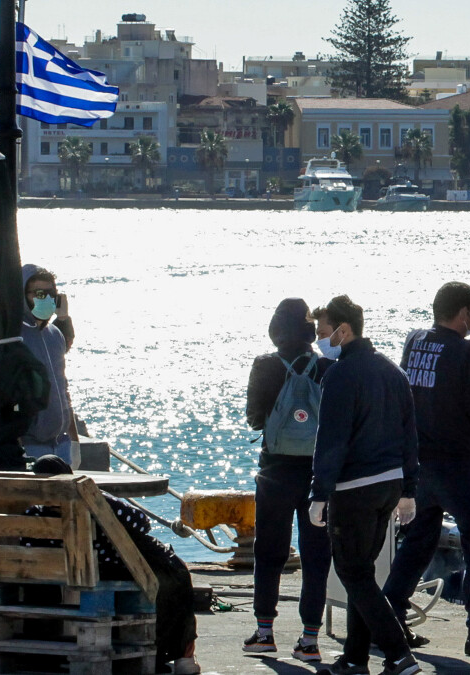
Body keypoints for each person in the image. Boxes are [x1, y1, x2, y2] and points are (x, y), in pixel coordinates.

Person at [383, 282, 470, 657]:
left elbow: (440, 369)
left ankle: (388, 618)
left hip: (417, 462)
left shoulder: (415, 340)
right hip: (455, 463)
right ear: (466, 312)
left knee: (420, 538)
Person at [308, 295, 421, 675]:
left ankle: (397, 653)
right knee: (362, 573)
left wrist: (319, 493)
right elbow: (410, 435)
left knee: (353, 573)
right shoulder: (393, 372)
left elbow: (331, 439)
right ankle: (355, 659)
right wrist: (409, 490)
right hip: (389, 484)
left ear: (344, 330)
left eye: (324, 333)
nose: (321, 341)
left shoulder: (340, 375)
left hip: (354, 487)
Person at [25, 456, 200, 675]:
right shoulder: (94, 500)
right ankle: (182, 655)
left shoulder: (34, 513)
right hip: (110, 567)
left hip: (65, 572)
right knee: (176, 574)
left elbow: (26, 542)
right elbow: (141, 522)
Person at [242, 299, 334, 662]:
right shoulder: (326, 366)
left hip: (275, 470)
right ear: (310, 330)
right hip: (317, 473)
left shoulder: (265, 365)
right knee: (316, 555)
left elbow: (253, 419)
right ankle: (309, 639)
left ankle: (264, 632)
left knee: (269, 552)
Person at [20, 264, 80, 467]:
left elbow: (63, 389)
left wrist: (74, 442)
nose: (45, 298)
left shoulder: (55, 335)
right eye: (38, 293)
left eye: (50, 293)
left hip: (61, 445)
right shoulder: (14, 337)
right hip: (29, 446)